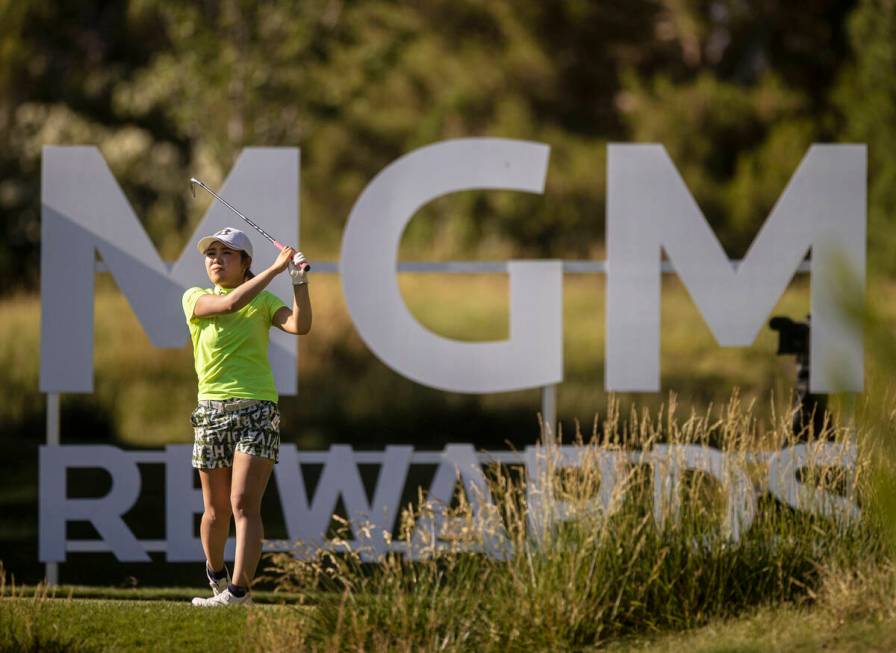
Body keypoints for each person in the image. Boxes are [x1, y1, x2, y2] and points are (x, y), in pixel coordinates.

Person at [181, 227, 312, 607]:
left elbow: (300, 325)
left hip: (258, 408)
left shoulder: (266, 302)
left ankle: (238, 593)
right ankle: (215, 571)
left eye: (227, 253)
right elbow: (229, 306)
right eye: (212, 253)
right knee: (215, 510)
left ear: (244, 262)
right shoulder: (195, 297)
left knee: (243, 503)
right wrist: (275, 270)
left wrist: (298, 280)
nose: (216, 259)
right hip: (211, 411)